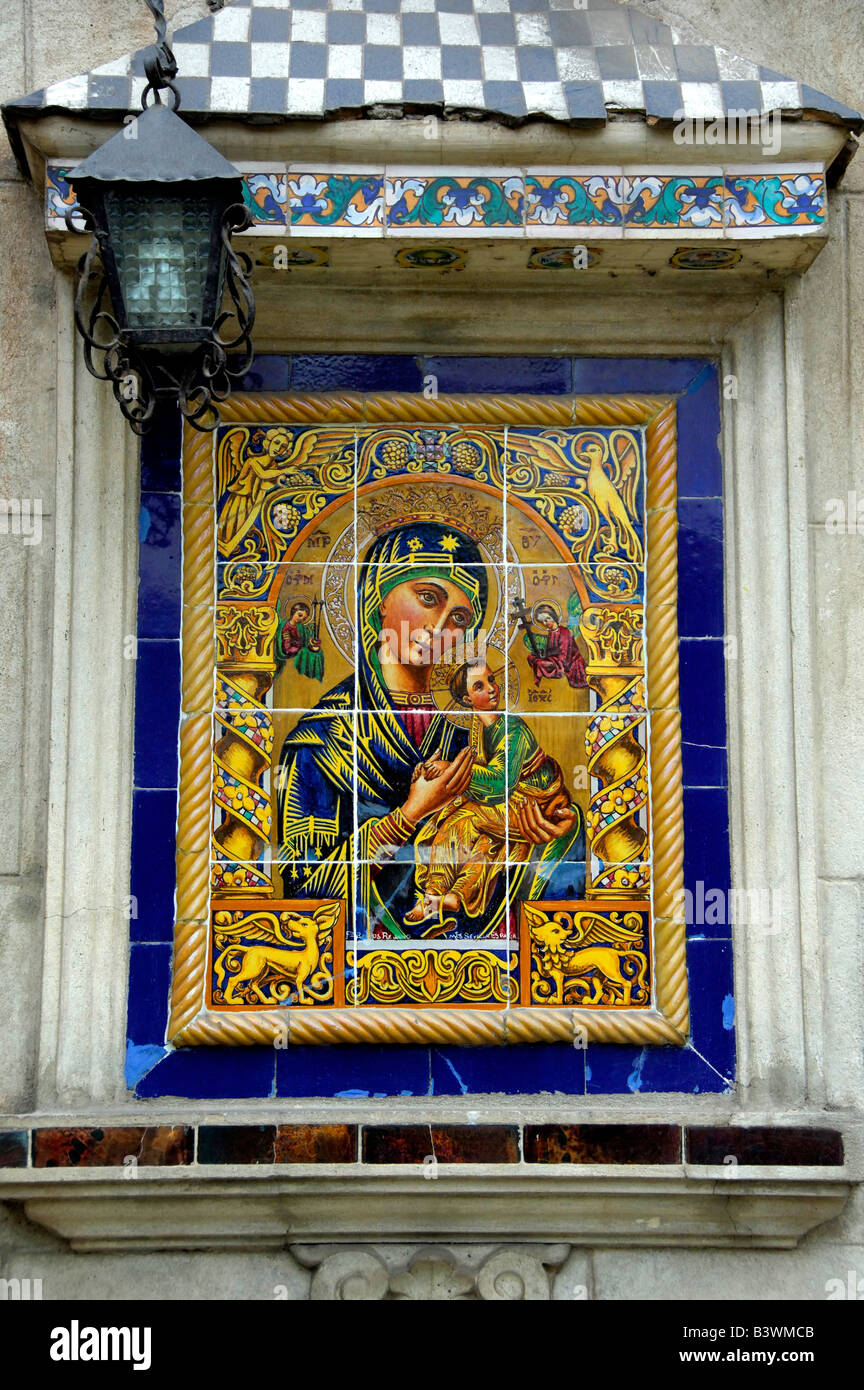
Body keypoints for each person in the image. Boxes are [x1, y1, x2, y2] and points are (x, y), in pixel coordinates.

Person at [275, 522, 582, 938]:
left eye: (458, 617)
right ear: (378, 598)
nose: (438, 628)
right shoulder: (322, 737)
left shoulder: (476, 723)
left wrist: (541, 829)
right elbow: (304, 885)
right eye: (427, 598)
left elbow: (519, 806)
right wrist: (409, 814)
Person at [405, 658, 575, 934]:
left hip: (533, 803)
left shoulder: (513, 729)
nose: (493, 689)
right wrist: (432, 773)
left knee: (460, 823)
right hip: (505, 804)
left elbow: (499, 783)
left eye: (492, 681)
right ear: (466, 698)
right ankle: (450, 898)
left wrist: (450, 770)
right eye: (480, 686)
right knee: (483, 842)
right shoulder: (477, 729)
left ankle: (433, 897)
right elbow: (472, 772)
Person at [526, 601, 587, 689]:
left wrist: (548, 660)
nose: (545, 623)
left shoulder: (564, 632)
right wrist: (542, 654)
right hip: (558, 661)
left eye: (547, 619)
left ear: (553, 616)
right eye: (542, 621)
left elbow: (564, 656)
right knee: (533, 659)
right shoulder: (551, 633)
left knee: (539, 663)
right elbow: (551, 651)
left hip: (573, 667)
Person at [278, 600, 324, 682]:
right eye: (300, 615)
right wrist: (301, 648)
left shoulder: (300, 626)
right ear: (293, 612)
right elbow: (287, 649)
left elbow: (305, 639)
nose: (301, 619)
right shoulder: (286, 628)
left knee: (317, 655)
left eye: (304, 618)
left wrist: (311, 642)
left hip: (300, 649)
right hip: (292, 655)